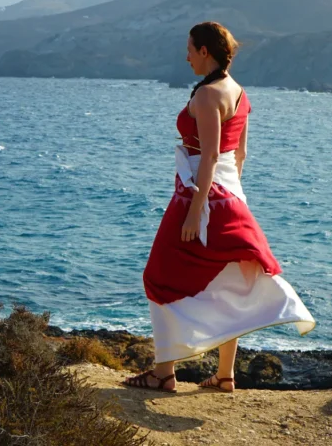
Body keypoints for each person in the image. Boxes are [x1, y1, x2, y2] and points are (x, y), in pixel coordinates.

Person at [122, 21, 315, 394]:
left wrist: (197, 210)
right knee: (230, 278)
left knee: (158, 276)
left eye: (191, 49)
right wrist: (231, 197)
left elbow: (209, 154)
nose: (187, 56)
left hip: (200, 197)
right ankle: (224, 375)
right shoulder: (240, 93)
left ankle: (164, 373)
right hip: (230, 193)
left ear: (205, 51)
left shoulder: (208, 95)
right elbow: (239, 153)